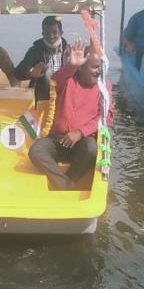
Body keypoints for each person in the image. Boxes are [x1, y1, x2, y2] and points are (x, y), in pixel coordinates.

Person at [28, 35, 112, 190]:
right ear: (81, 67)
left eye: (100, 67)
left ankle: (68, 182)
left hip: (82, 143)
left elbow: (106, 117)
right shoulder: (68, 79)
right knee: (36, 151)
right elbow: (56, 78)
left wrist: (80, 132)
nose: (98, 71)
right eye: (94, 67)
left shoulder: (104, 86)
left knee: (91, 147)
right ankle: (66, 186)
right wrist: (71, 65)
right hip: (57, 140)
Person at [14, 15, 70, 103]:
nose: (51, 36)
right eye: (47, 32)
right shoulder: (35, 50)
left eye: (54, 32)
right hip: (42, 100)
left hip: (64, 98)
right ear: (42, 33)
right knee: (46, 70)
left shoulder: (69, 51)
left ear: (61, 33)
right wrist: (30, 74)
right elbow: (18, 73)